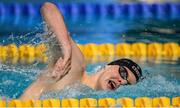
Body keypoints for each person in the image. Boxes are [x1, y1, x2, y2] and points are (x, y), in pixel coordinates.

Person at [20, 2, 142, 100]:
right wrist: (67, 49)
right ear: (108, 66)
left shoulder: (91, 100)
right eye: (123, 73)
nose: (122, 81)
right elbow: (48, 8)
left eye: (127, 84)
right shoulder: (75, 68)